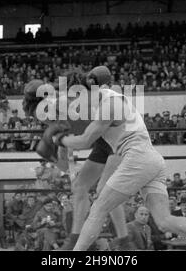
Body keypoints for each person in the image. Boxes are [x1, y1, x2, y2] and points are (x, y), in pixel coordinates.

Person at [36, 74, 186, 251]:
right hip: (152, 160)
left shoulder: (108, 105)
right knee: (164, 220)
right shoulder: (107, 98)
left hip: (136, 158)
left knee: (98, 208)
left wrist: (58, 139)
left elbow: (85, 140)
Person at [22, 68, 132, 250]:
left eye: (42, 114)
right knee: (80, 186)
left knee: (104, 188)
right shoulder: (60, 113)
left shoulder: (66, 103)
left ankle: (124, 241)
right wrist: (57, 156)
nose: (44, 121)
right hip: (104, 140)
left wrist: (58, 146)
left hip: (121, 135)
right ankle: (75, 240)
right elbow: (68, 157)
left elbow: (84, 140)